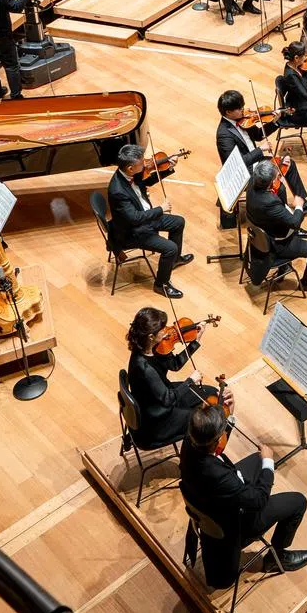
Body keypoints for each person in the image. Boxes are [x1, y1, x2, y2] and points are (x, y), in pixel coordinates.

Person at [180, 403, 307, 587]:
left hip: (208, 501)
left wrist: (229, 416)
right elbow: (259, 500)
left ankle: (261, 467)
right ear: (217, 439)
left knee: (256, 459)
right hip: (235, 524)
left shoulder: (189, 442)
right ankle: (276, 557)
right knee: (298, 502)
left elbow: (213, 446)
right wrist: (268, 463)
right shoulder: (220, 477)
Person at [107, 144, 193, 300]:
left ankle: (174, 261)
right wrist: (161, 209)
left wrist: (168, 168)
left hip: (145, 218)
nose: (146, 164)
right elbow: (135, 218)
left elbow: (147, 181)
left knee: (178, 222)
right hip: (133, 231)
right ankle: (161, 284)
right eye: (142, 163)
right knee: (170, 248)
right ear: (130, 168)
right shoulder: (117, 191)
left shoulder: (129, 174)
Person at [125, 307, 218, 448]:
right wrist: (190, 381)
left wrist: (195, 341)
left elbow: (175, 364)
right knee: (203, 421)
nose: (166, 331)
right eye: (162, 329)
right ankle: (198, 454)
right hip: (158, 421)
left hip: (161, 397)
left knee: (212, 393)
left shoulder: (150, 347)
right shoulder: (144, 369)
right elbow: (168, 399)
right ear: (151, 336)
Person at [215, 90, 307, 211]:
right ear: (228, 112)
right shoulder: (224, 135)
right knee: (279, 186)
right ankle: (282, 213)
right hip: (245, 172)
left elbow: (258, 135)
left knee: (289, 164)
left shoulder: (242, 121)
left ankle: (302, 203)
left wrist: (274, 121)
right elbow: (236, 164)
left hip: (257, 163)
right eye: (239, 109)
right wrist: (260, 149)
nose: (243, 110)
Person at [244, 160, 307, 292]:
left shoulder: (251, 184)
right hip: (276, 244)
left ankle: (284, 267)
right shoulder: (269, 202)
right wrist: (299, 206)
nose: (278, 178)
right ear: (271, 182)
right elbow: (295, 223)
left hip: (260, 233)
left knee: (282, 189)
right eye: (276, 177)